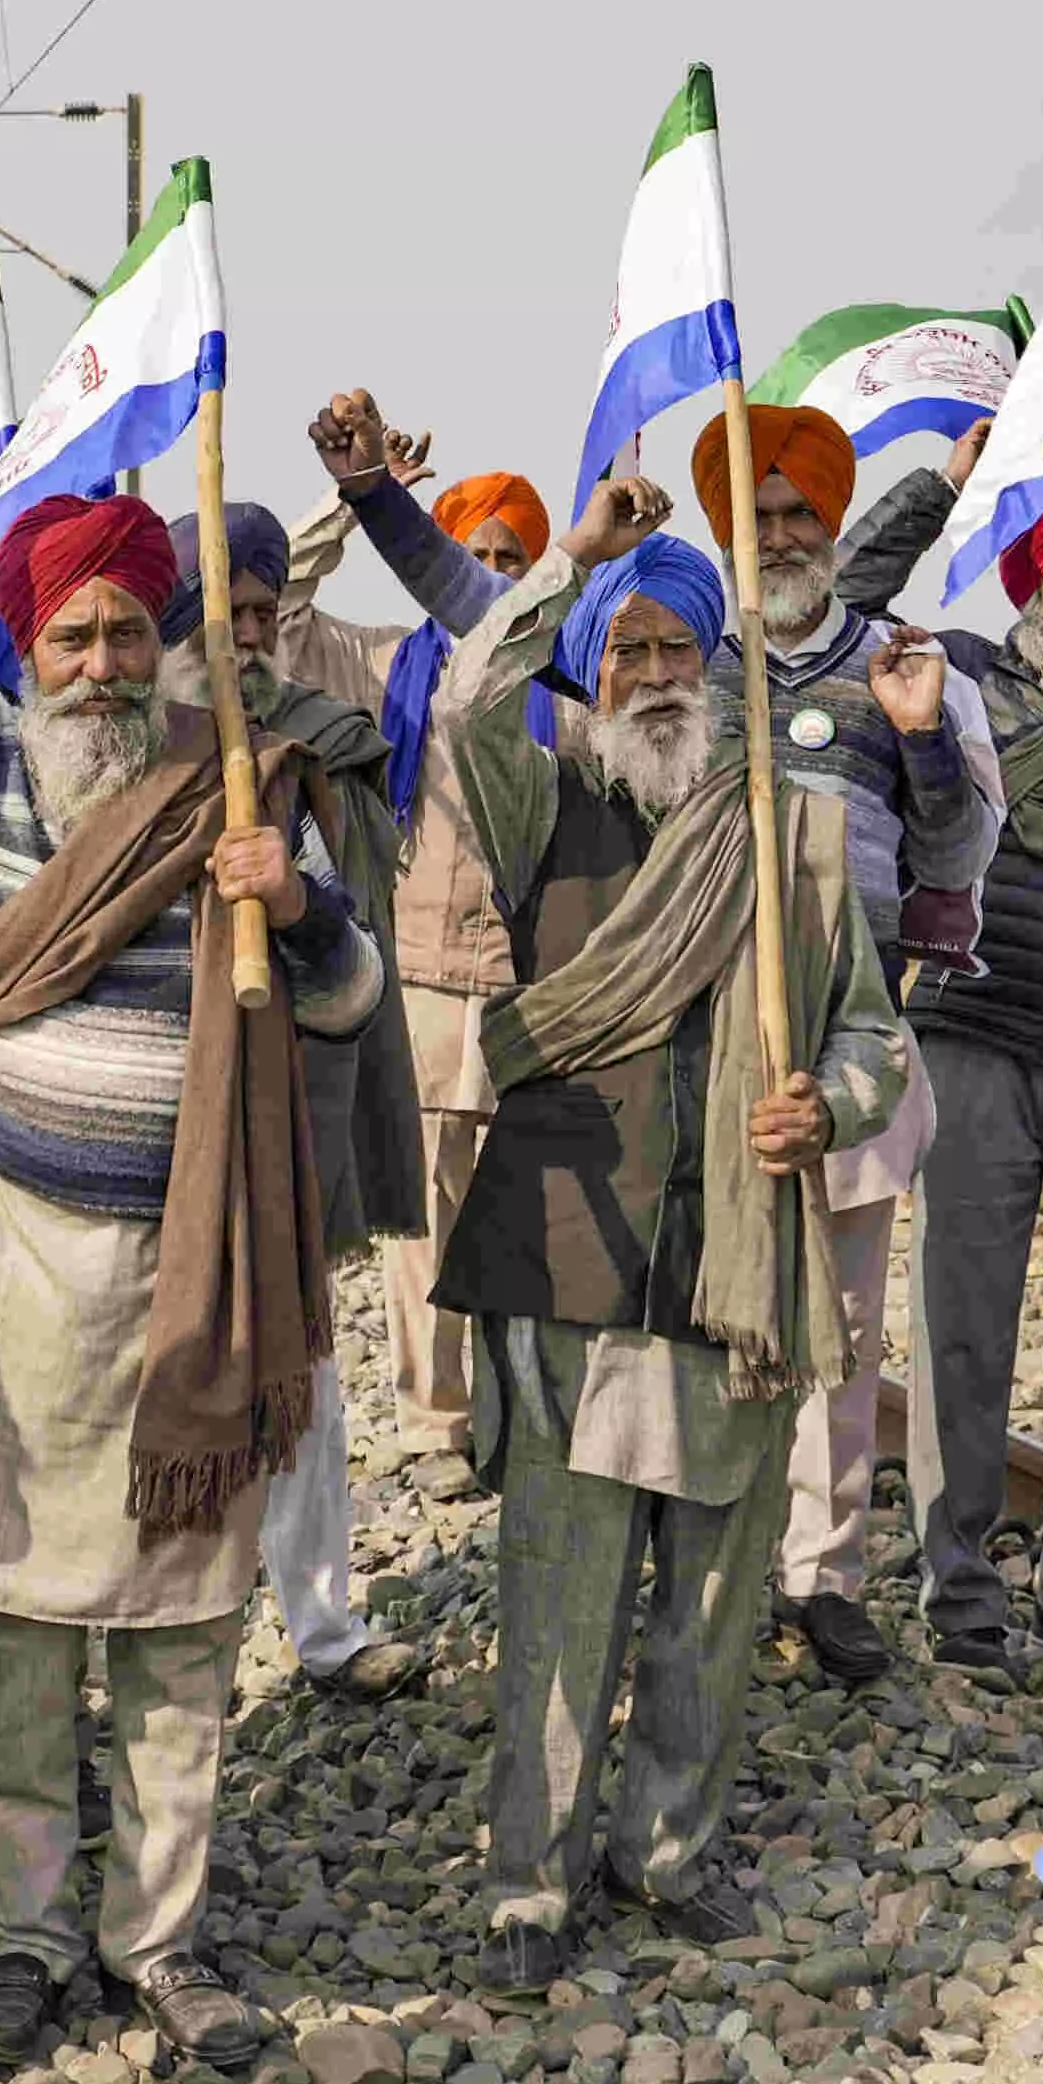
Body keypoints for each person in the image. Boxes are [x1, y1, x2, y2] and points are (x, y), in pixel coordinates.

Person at [0, 227, 380, 2079]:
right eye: (74, 632)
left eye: (131, 627)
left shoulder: (237, 781)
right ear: (27, 648)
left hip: (192, 1271)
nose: (105, 656)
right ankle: (30, 1934)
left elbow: (353, 1007)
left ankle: (165, 1939)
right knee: (26, 1625)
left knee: (185, 1629)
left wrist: (296, 907)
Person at [431, 486, 908, 1986]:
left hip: (740, 1267)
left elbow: (880, 1038)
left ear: (714, 664)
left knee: (711, 1594)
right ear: (591, 667)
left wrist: (825, 1108)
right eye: (622, 647)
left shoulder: (801, 836)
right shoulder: (538, 806)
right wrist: (567, 566)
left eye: (675, 646)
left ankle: (670, 1851)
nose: (651, 672)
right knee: (563, 1603)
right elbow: (465, 704)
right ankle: (531, 1884)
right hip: (573, 1257)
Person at [827, 437, 1043, 1673]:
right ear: (1031, 575)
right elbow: (843, 604)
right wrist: (944, 481)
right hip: (972, 1035)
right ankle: (959, 1582)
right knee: (962, 1323)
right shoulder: (962, 680)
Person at [697, 399, 999, 1686]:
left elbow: (955, 848)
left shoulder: (908, 665)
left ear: (829, 526)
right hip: (699, 1041)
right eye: (754, 518)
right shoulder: (688, 653)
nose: (776, 535)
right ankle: (706, 1565)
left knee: (842, 1321)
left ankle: (820, 1576)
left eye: (797, 516)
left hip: (858, 1043)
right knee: (704, 1314)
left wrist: (924, 739)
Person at [169, 494, 433, 1708]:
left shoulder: (322, 741)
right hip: (155, 1113)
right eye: (225, 614)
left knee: (305, 1369)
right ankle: (172, 1633)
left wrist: (291, 890)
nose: (250, 637)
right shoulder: (120, 747)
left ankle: (321, 1625)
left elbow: (354, 908)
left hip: (295, 1093)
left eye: (266, 613)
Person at [273, 425, 533, 1435]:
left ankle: (523, 1421)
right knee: (420, 1216)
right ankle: (438, 1417)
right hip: (419, 979)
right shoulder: (380, 664)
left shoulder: (544, 680)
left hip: (526, 984)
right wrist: (356, 502)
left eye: (511, 560)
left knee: (524, 1217)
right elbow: (280, 605)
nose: (491, 574)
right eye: (475, 552)